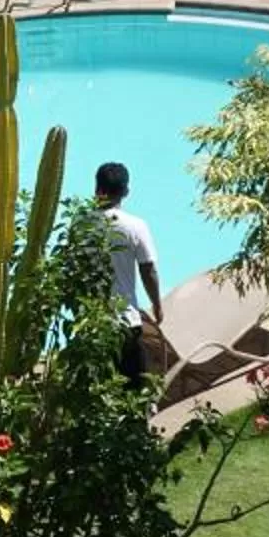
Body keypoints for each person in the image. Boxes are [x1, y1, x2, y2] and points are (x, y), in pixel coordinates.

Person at [94, 161, 165, 380]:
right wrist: (157, 305)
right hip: (125, 322)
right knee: (133, 392)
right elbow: (148, 269)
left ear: (97, 188)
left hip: (91, 323)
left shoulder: (80, 224)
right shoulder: (135, 226)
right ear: (126, 191)